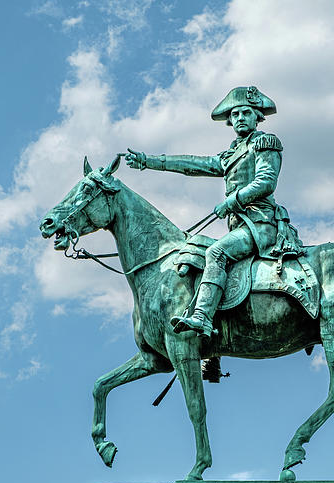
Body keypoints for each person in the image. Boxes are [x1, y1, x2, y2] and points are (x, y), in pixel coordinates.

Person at [125, 85, 301, 337]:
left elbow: (266, 182)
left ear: (257, 117)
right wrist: (149, 161)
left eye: (245, 113)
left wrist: (232, 201)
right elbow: (193, 165)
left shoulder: (265, 143)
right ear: (230, 121)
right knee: (193, 249)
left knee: (216, 252)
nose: (240, 118)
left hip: (261, 225)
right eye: (236, 114)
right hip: (241, 226)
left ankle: (202, 317)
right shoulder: (231, 155)